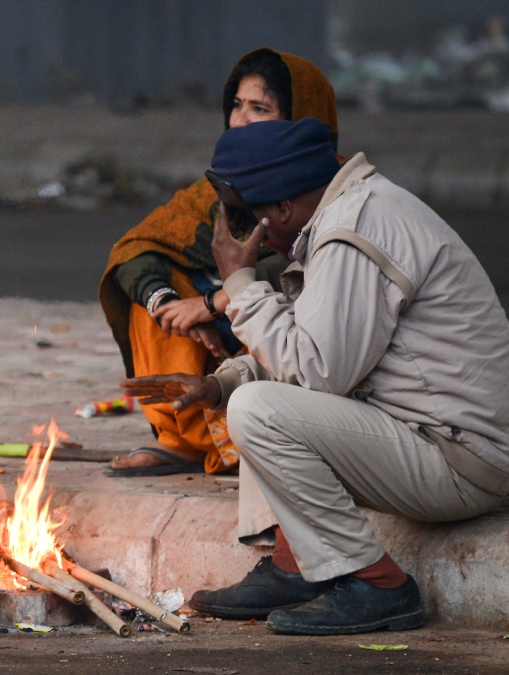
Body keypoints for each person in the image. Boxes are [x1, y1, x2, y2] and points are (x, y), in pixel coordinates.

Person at [122, 119, 509, 635]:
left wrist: (241, 285)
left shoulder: (351, 233)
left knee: (259, 409)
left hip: (461, 461)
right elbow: (312, 342)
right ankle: (295, 567)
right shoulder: (344, 213)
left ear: (281, 210)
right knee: (251, 395)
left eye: (245, 221)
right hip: (434, 438)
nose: (245, 239)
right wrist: (220, 384)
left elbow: (316, 371)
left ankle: (379, 585)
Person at [101, 47, 340, 477]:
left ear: (299, 119)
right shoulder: (219, 187)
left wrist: (213, 303)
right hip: (222, 324)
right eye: (237, 106)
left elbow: (303, 269)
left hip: (290, 341)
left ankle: (254, 439)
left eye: (260, 109)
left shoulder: (326, 190)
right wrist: (169, 304)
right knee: (154, 292)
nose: (241, 120)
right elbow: (136, 247)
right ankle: (181, 439)